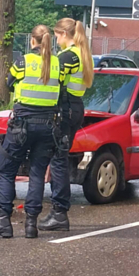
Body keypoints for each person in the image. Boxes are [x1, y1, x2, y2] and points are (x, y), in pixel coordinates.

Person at [0, 24, 64, 239]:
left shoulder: (23, 62)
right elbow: (61, 92)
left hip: (22, 125)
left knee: (6, 170)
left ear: (32, 41)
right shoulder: (57, 64)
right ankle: (31, 225)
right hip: (47, 127)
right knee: (37, 173)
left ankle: (3, 223)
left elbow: (9, 84)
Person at [40, 18, 94, 232]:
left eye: (57, 35)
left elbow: (54, 82)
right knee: (59, 159)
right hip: (75, 106)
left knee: (58, 161)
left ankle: (59, 212)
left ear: (63, 34)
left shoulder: (68, 56)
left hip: (65, 107)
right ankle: (57, 211)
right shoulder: (82, 53)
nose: (56, 40)